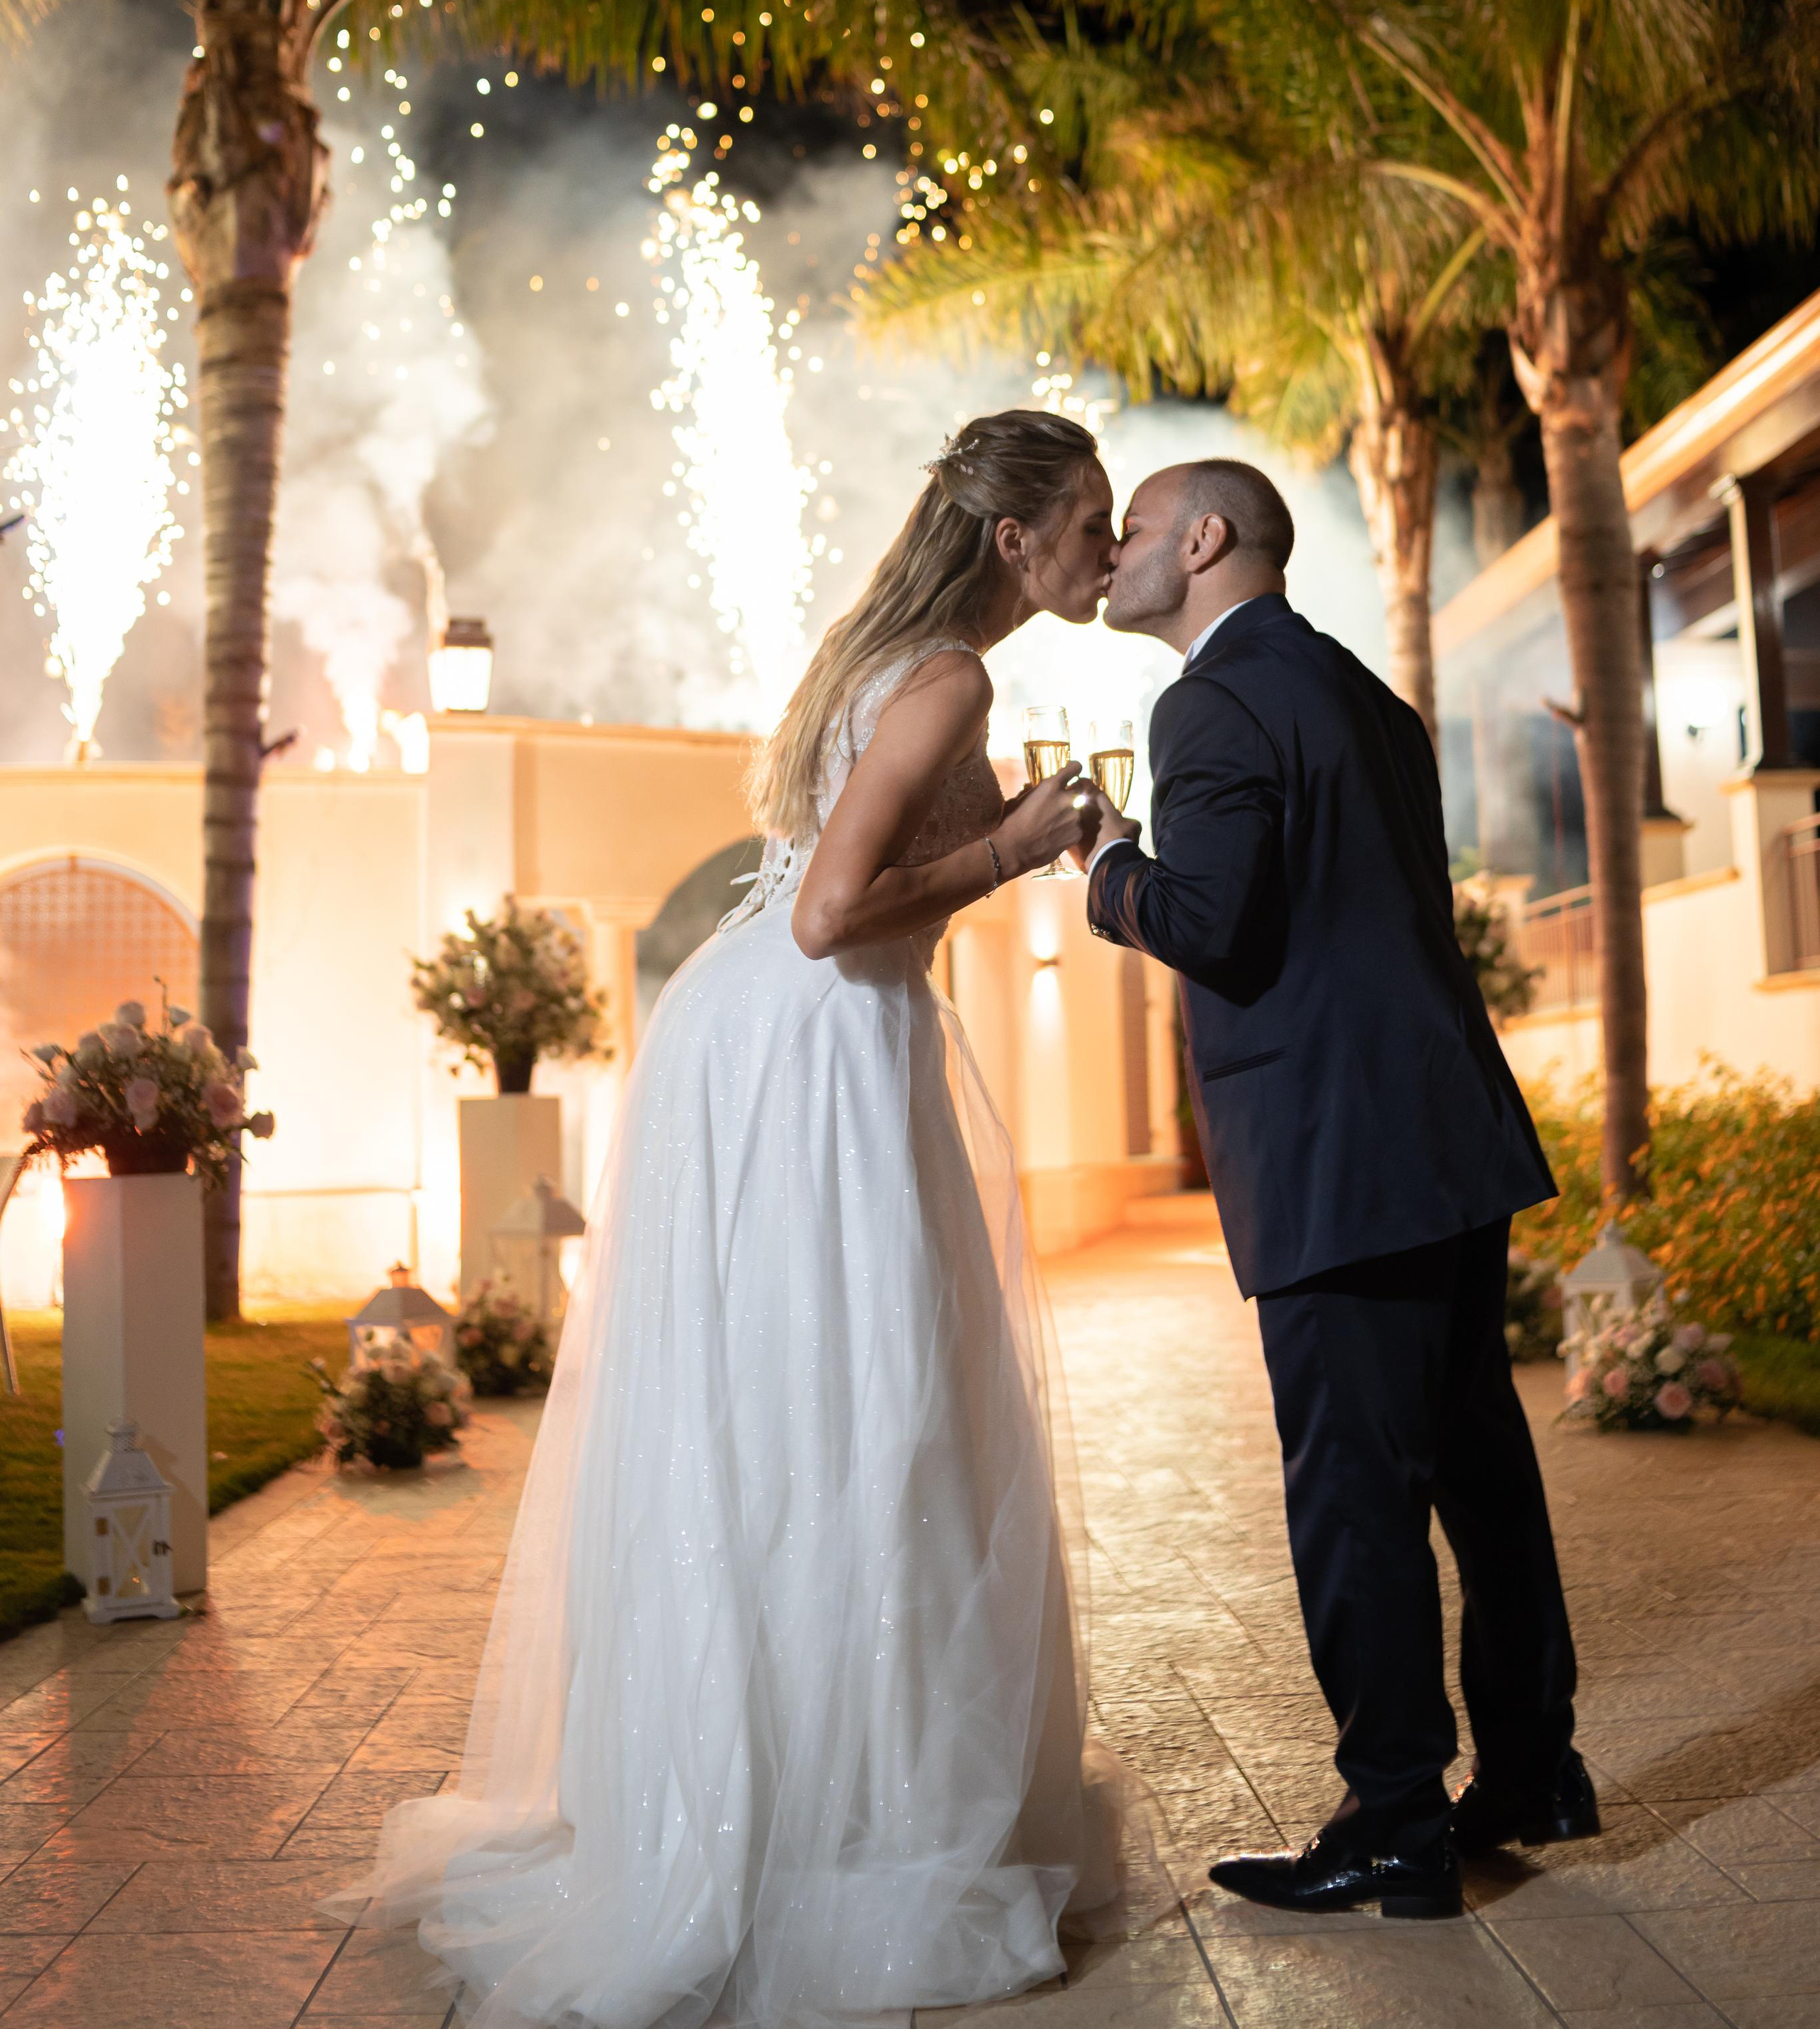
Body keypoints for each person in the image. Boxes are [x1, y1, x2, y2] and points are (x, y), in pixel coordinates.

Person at [352, 409, 1136, 2029]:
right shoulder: (952, 677)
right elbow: (841, 912)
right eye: (1085, 522)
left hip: (765, 1042)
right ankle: (833, 1820)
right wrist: (1019, 842)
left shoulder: (890, 657)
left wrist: (996, 845)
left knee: (795, 1408)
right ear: (1014, 540)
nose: (1102, 548)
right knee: (861, 1410)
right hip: (815, 1049)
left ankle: (798, 1777)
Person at [1076, 456, 1591, 1922]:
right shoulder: (1365, 694)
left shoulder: (1205, 702)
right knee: (1475, 1466)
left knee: (1354, 1496)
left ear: (1206, 540)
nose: (1111, 552)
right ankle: (1530, 1770)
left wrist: (1107, 862)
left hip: (1333, 1155)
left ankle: (1391, 1822)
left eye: (1132, 531)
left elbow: (1215, 928)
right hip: (1438, 1134)